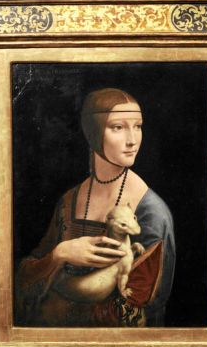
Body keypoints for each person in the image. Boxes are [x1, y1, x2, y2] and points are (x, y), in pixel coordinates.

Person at [15, 88, 175, 327]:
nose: (132, 140)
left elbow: (138, 309)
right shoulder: (69, 200)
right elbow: (24, 281)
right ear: (93, 132)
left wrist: (57, 301)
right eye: (118, 127)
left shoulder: (151, 212)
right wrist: (59, 255)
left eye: (138, 126)